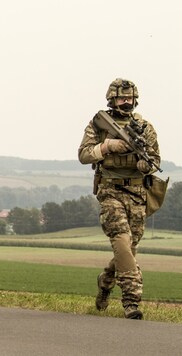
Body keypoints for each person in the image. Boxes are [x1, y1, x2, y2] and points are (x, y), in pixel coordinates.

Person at [78, 78, 160, 320]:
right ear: (112, 99)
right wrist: (107, 146)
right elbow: (83, 155)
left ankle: (105, 281)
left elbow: (155, 161)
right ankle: (131, 301)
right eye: (121, 98)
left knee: (129, 248)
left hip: (137, 193)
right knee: (122, 240)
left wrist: (145, 164)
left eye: (130, 98)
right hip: (110, 191)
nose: (126, 102)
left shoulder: (145, 127)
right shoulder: (99, 124)